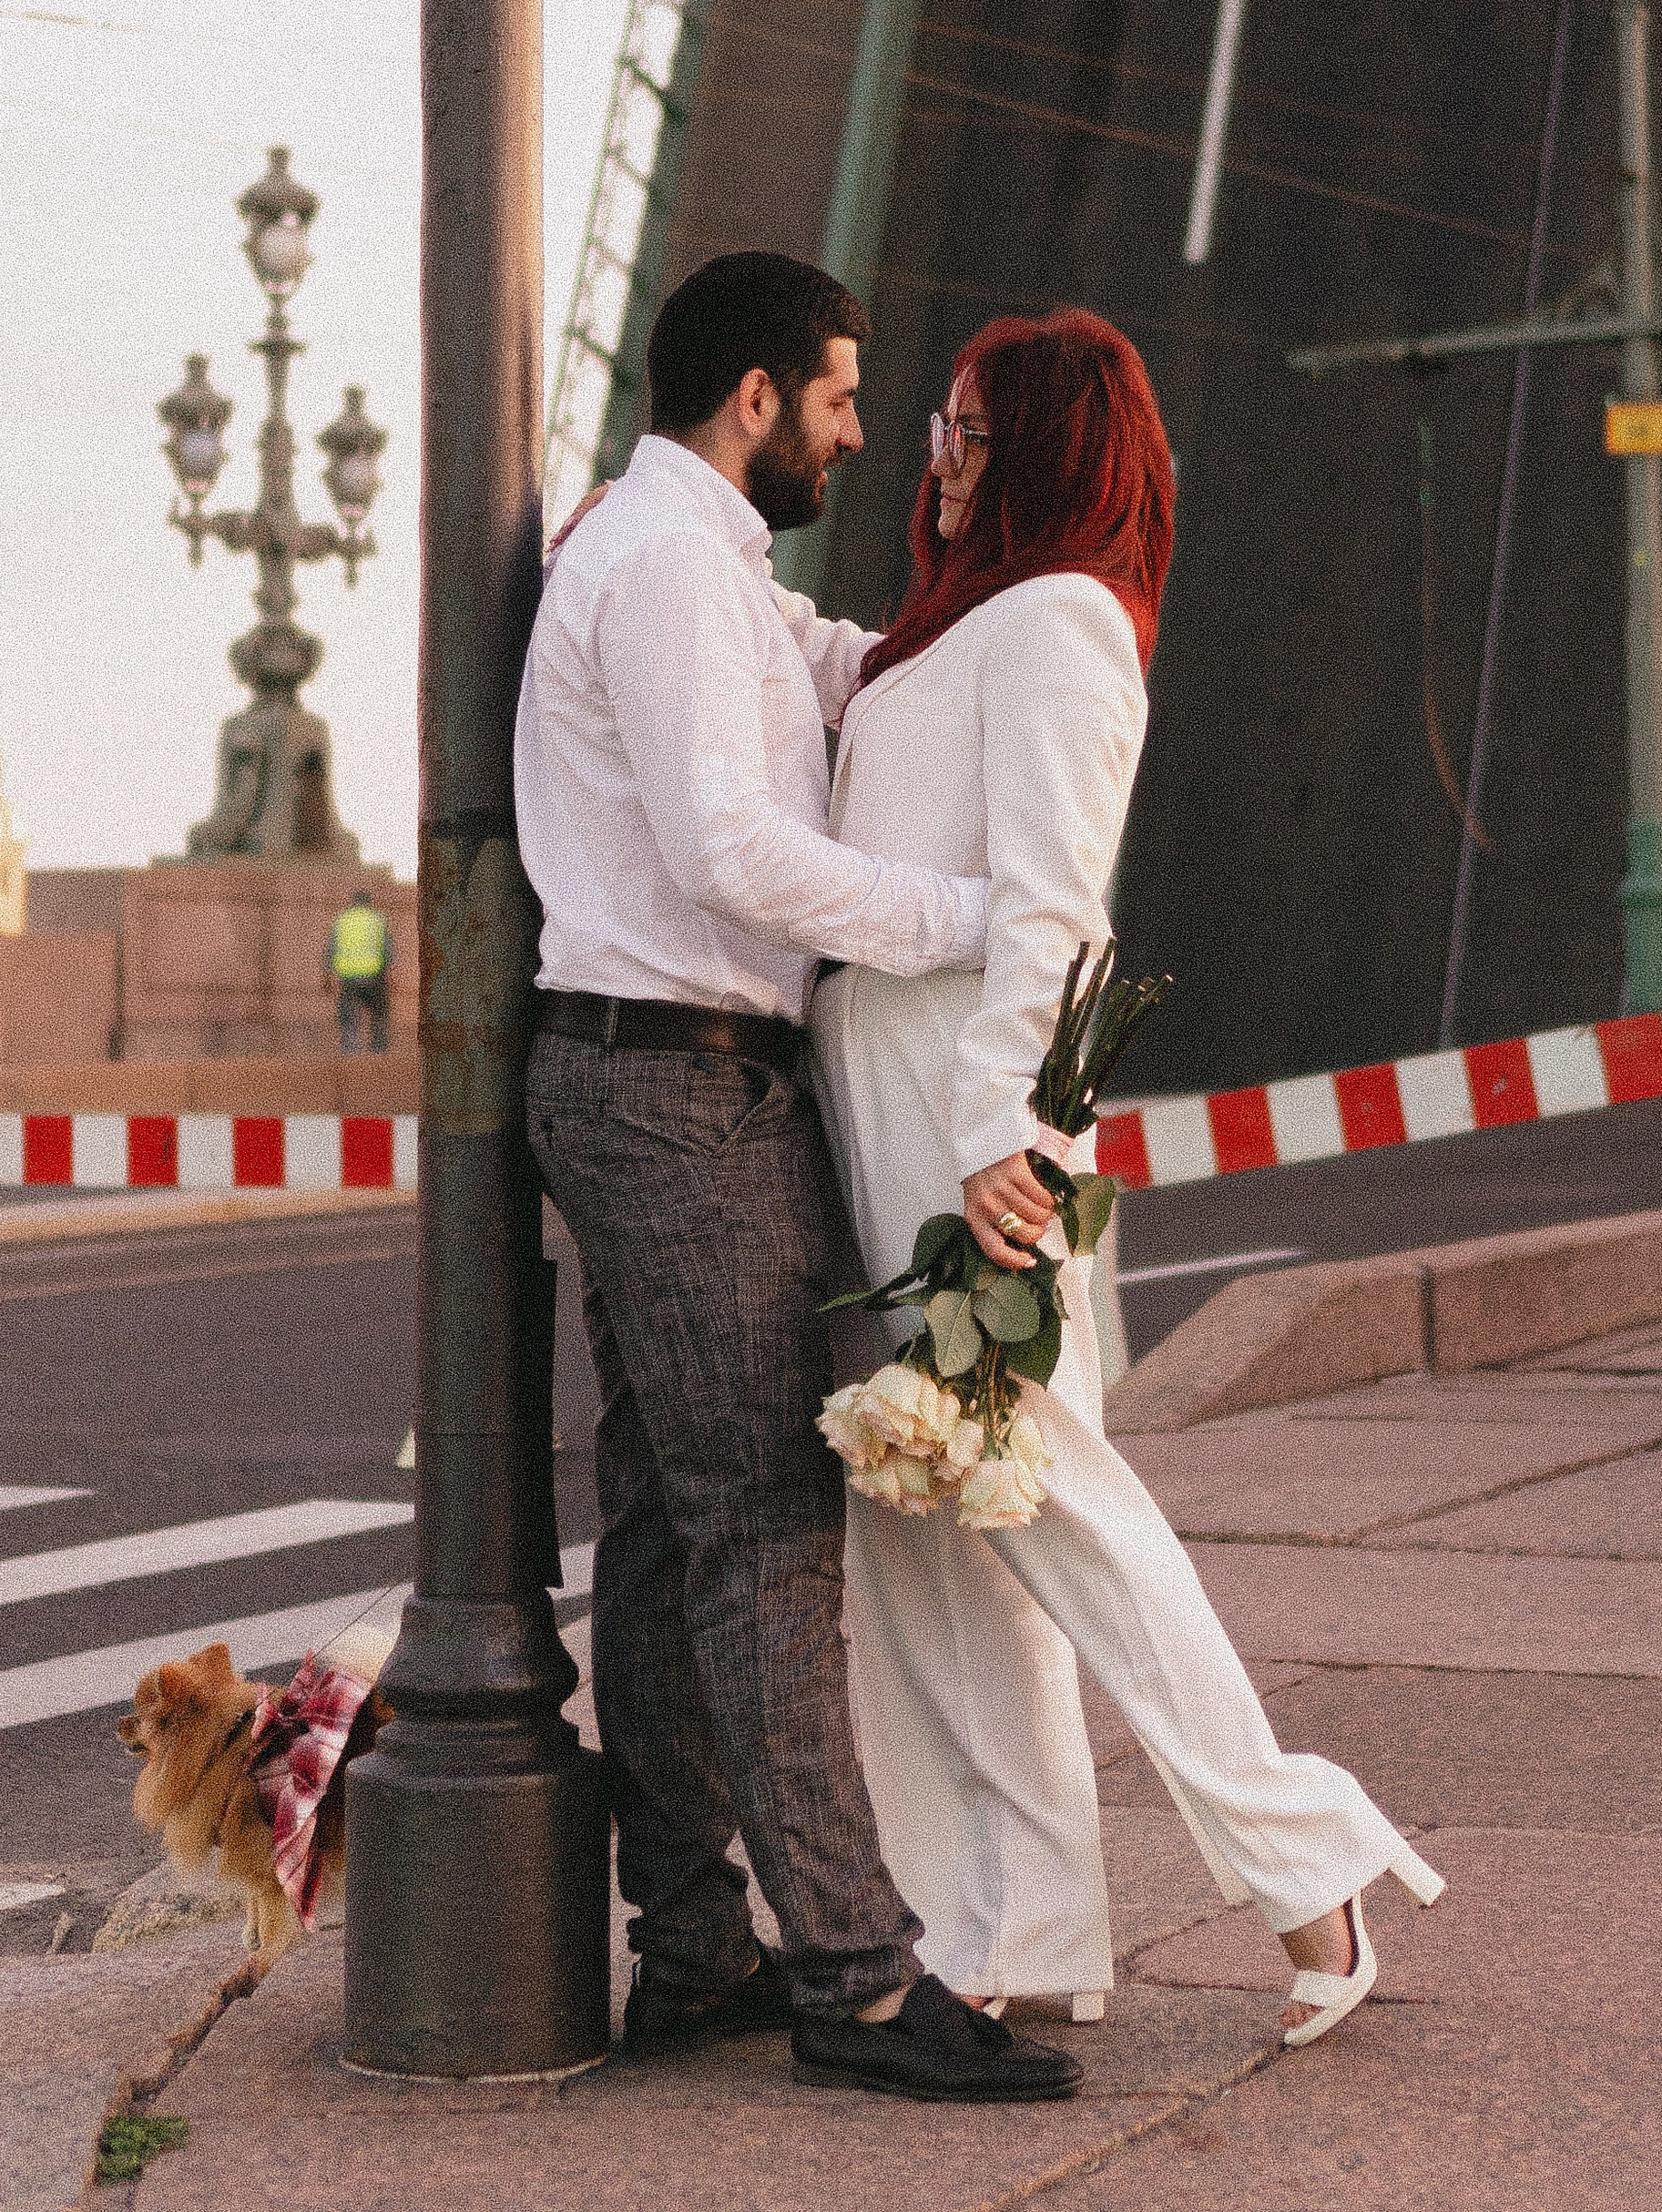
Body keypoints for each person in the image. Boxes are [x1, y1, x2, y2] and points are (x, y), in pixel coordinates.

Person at [809, 309, 1443, 2051]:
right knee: (937, 1519)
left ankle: (1303, 1859)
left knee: (1050, 1491)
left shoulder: (1066, 622)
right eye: (935, 423)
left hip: (971, 1104)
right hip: (890, 1088)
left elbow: (1055, 903)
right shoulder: (945, 632)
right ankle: (1013, 1922)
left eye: (964, 426)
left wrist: (1003, 1124)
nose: (935, 454)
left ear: (1050, 443)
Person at [515, 250, 1078, 2105]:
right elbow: (729, 847)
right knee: (766, 1520)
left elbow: (849, 683)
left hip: (658, 1079)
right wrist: (973, 918)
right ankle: (852, 1976)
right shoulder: (667, 567)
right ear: (751, 397)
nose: (854, 427)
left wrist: (954, 596)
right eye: (838, 398)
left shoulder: (709, 573)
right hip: (671, 1086)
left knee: (683, 1531)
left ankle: (691, 1950)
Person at [323, 889, 390, 1056]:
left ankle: (350, 1052)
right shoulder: (378, 920)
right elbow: (388, 950)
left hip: (348, 977)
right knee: (379, 1013)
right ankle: (378, 1052)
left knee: (348, 1015)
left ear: (353, 902)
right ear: (369, 902)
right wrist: (393, 976)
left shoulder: (342, 920)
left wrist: (326, 975)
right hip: (374, 975)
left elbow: (330, 949)